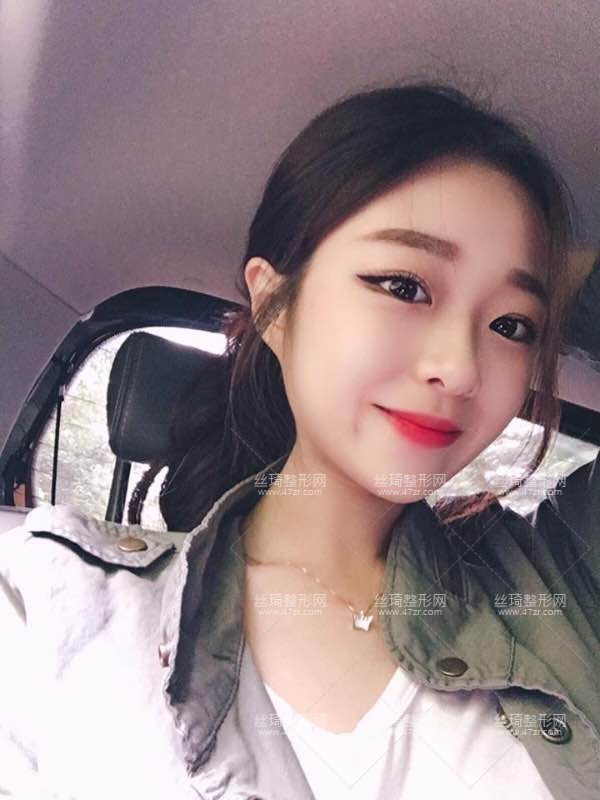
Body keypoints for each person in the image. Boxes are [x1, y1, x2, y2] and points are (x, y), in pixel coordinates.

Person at [2, 79, 599, 800]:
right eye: (404, 286)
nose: (461, 368)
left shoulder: (557, 586)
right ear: (274, 305)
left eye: (512, 325)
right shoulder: (53, 603)